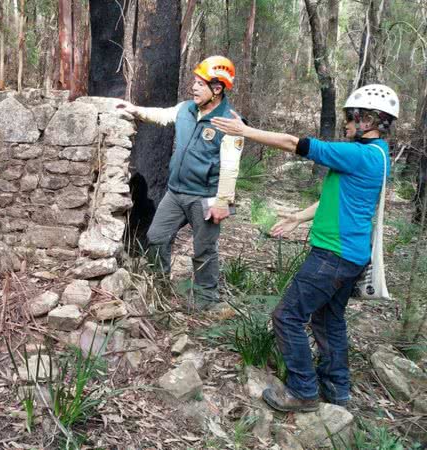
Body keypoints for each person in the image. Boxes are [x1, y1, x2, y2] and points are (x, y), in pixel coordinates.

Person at [211, 84, 399, 412]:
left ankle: (303, 392)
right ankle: (337, 389)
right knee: (329, 322)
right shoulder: (379, 156)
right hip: (351, 256)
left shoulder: (359, 155)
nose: (347, 124)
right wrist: (299, 217)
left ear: (368, 120)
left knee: (287, 315)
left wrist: (245, 131)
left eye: (352, 118)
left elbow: (292, 143)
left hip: (333, 256)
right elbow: (341, 196)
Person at [120, 55, 244, 309]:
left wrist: (223, 202)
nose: (194, 87)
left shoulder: (230, 122)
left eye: (201, 83)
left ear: (217, 88)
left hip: (206, 197)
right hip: (176, 193)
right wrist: (135, 110)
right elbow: (163, 115)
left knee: (204, 250)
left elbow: (231, 167)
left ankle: (206, 302)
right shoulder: (187, 109)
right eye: (194, 82)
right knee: (156, 237)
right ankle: (159, 287)